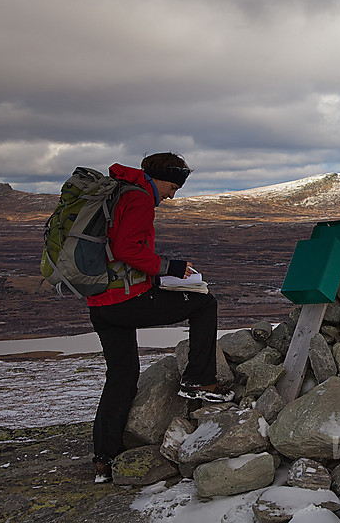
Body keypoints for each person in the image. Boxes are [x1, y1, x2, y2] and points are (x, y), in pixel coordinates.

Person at [87, 152, 233, 484]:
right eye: (171, 186)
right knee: (204, 304)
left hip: (101, 304)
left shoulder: (119, 191)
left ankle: (104, 460)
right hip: (126, 300)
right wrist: (172, 268)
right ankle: (200, 381)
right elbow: (127, 250)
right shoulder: (138, 198)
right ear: (158, 178)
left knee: (122, 376)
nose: (171, 195)